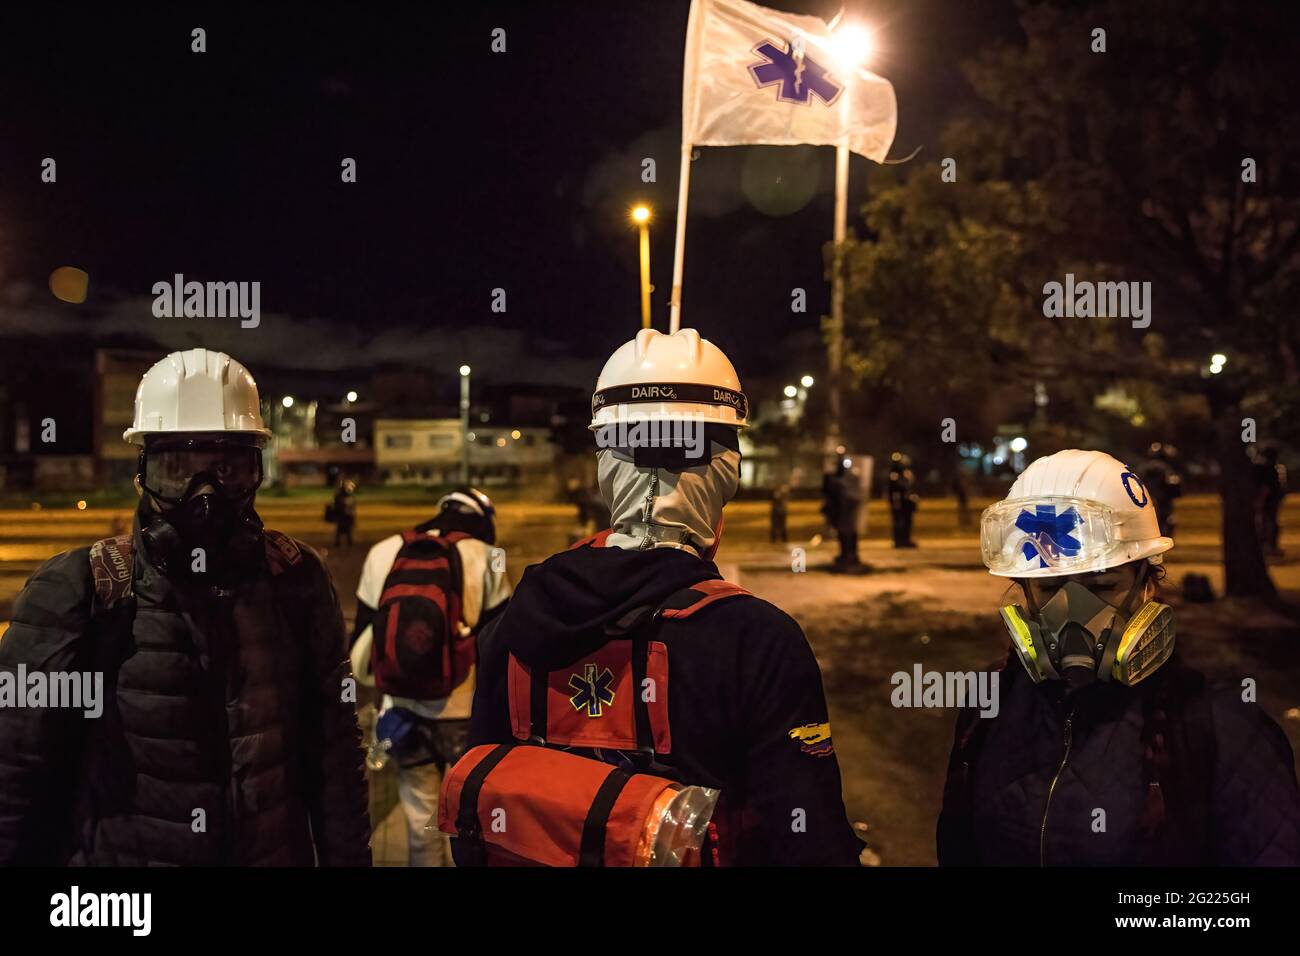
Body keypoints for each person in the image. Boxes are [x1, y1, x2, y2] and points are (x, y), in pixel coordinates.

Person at [463, 328, 860, 865]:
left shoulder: (513, 620)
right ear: (725, 473)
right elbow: (811, 842)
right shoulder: (757, 640)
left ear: (606, 464)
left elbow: (480, 814)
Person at [0, 348, 371, 866]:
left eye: (227, 469)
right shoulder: (80, 590)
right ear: (141, 473)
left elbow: (333, 755)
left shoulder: (295, 581)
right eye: (179, 470)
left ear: (256, 472)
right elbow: (16, 774)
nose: (206, 495)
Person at [938, 449, 1300, 865]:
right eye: (1050, 588)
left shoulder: (1225, 732)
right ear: (1023, 591)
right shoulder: (988, 710)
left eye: (1103, 586)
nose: (1073, 611)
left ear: (1148, 582)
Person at [351, 488, 511, 866]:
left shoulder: (383, 551)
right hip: (464, 714)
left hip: (402, 712)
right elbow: (499, 645)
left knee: (421, 821)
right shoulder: (490, 557)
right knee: (464, 822)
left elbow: (362, 641)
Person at [1139, 441, 1182, 538]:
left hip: (1148, 498)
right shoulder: (1165, 468)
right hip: (1162, 499)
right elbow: (1173, 485)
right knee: (1167, 518)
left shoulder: (1144, 467)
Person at [1253, 445, 1287, 557]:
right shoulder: (1270, 469)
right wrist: (1261, 500)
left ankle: (1268, 546)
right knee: (1268, 524)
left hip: (1271, 501)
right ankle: (1269, 547)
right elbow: (1266, 488)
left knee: (1268, 523)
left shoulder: (1267, 468)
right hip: (1270, 501)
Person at [887, 452, 918, 548]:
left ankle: (905, 539)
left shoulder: (906, 473)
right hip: (898, 501)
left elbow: (912, 486)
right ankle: (899, 541)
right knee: (899, 522)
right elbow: (896, 488)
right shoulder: (893, 474)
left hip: (906, 501)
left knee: (906, 521)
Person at [331, 478, 358, 549]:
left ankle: (349, 540)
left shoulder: (350, 496)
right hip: (342, 515)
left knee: (348, 528)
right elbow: (337, 505)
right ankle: (338, 541)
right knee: (340, 528)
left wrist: (352, 512)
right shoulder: (339, 496)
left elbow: (353, 505)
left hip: (348, 515)